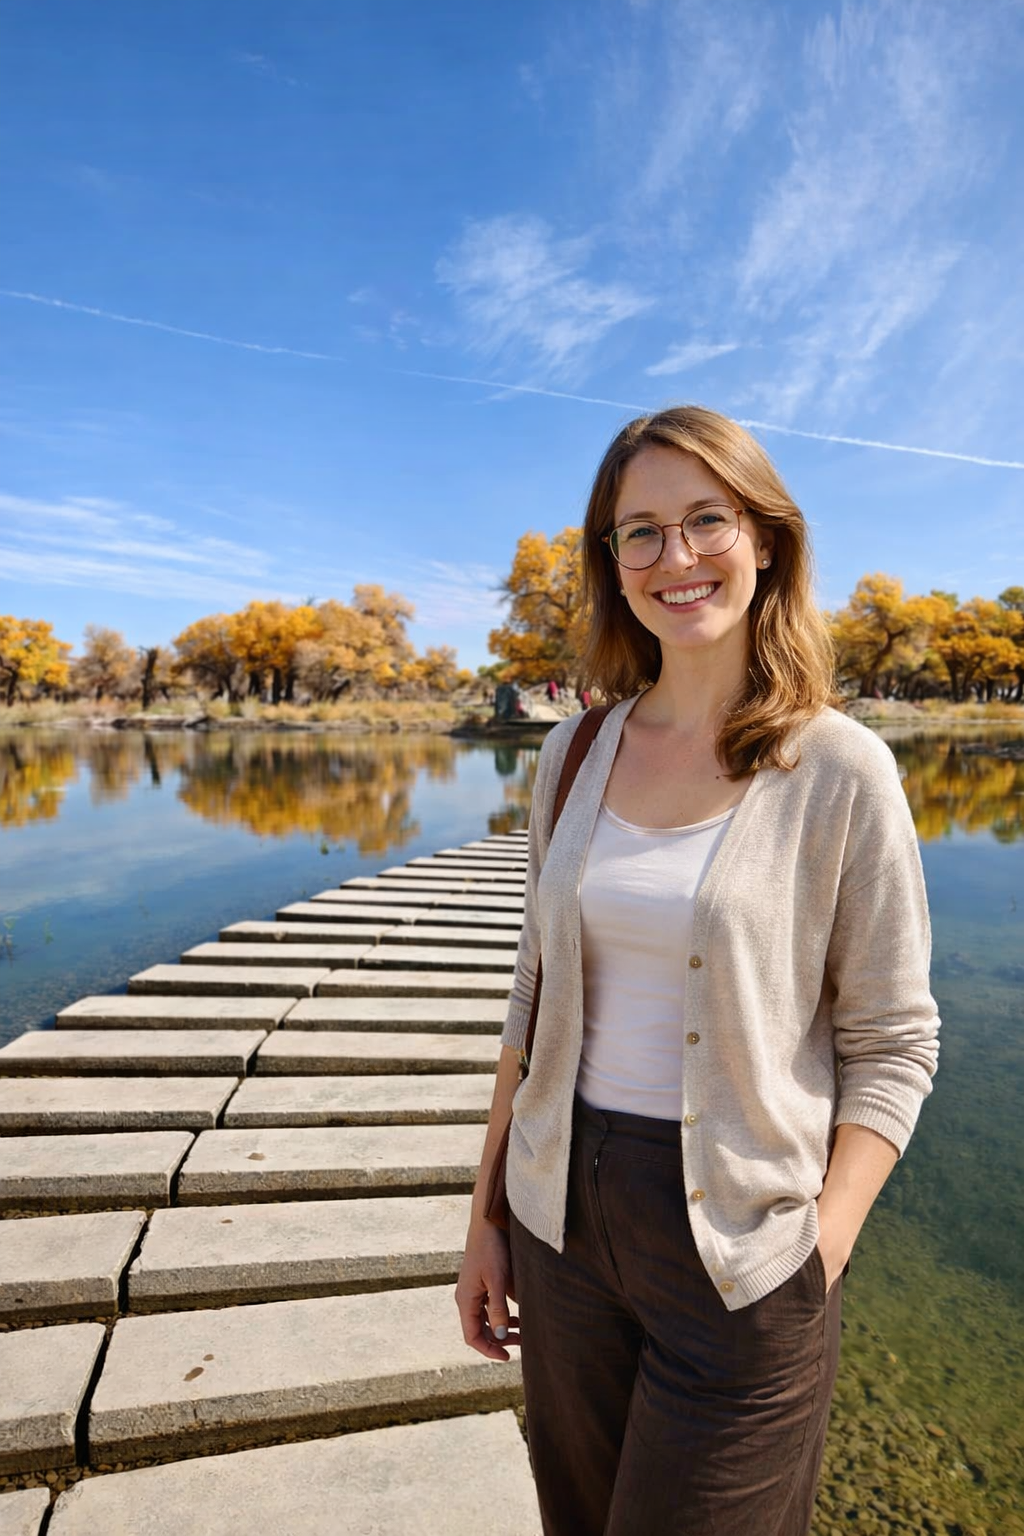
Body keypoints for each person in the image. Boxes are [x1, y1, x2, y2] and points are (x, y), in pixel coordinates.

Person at [456, 405, 940, 1536]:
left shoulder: (840, 770)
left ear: (765, 539)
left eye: (706, 520)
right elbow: (530, 1003)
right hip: (560, 1223)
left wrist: (817, 1250)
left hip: (742, 1246)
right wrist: (485, 1218)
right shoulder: (573, 752)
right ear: (611, 562)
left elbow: (893, 1042)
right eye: (641, 532)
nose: (676, 558)